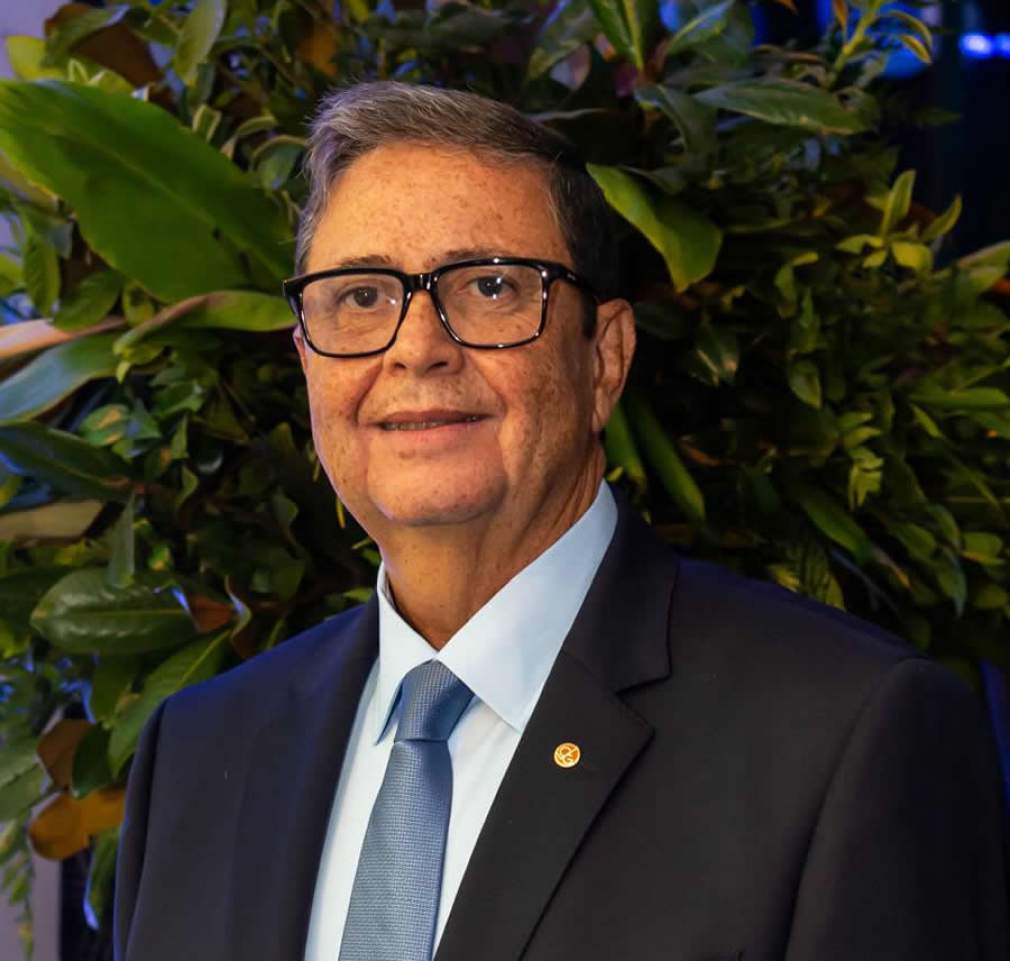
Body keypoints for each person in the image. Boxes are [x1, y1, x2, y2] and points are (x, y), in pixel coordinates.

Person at [113, 81, 1009, 961]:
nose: (417, 347)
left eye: (490, 286)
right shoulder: (198, 751)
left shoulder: (846, 736)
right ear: (307, 360)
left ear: (605, 357)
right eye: (360, 297)